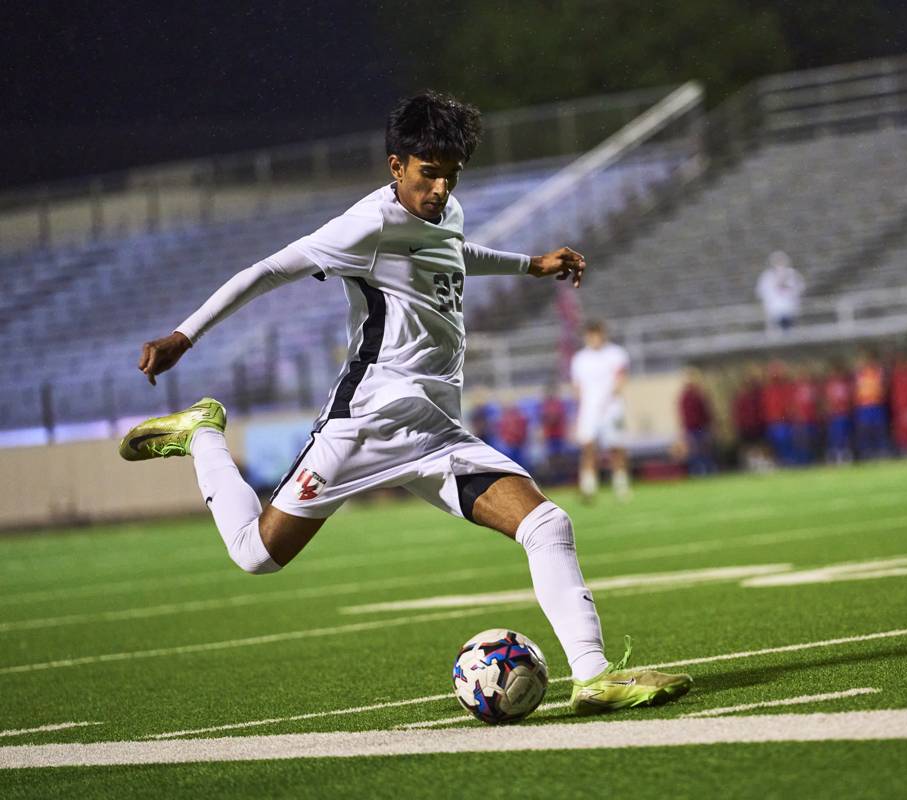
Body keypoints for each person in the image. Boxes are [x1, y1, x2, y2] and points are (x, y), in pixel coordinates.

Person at [118, 91, 690, 714]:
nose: (440, 188)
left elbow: (451, 253)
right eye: (428, 174)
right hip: (368, 419)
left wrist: (531, 265)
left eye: (451, 175)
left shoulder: (446, 209)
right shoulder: (367, 224)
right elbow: (269, 269)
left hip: (434, 426)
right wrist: (184, 335)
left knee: (547, 525)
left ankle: (595, 678)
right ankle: (204, 432)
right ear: (396, 166)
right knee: (256, 554)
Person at [570, 320, 632, 502]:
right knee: (588, 447)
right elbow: (577, 387)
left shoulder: (616, 354)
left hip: (612, 408)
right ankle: (588, 487)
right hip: (589, 409)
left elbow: (621, 378)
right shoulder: (580, 359)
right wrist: (582, 409)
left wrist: (609, 399)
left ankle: (621, 486)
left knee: (616, 447)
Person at [755, 250, 805, 334]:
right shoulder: (767, 276)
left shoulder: (792, 273)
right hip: (774, 306)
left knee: (788, 322)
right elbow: (763, 291)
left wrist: (787, 287)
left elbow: (799, 287)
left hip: (789, 304)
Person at [852, 347, 889, 459]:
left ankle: (882, 451)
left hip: (877, 405)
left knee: (879, 429)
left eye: (871, 358)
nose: (868, 361)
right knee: (865, 430)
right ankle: (866, 452)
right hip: (864, 406)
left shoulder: (879, 371)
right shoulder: (860, 372)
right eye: (866, 358)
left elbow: (884, 385)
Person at [761, 360, 796, 465]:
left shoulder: (787, 387)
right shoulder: (767, 390)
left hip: (785, 423)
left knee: (787, 444)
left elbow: (790, 405)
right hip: (772, 423)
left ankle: (790, 462)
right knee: (776, 446)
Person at [538, 383, 570, 483]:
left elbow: (558, 418)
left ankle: (561, 478)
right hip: (550, 436)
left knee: (560, 457)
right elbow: (543, 419)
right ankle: (553, 479)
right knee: (550, 457)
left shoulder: (558, 404)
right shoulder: (544, 405)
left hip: (558, 435)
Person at [790, 363, 822, 465]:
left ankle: (813, 460)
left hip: (812, 419)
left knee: (813, 440)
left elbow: (818, 402)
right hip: (801, 420)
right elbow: (792, 404)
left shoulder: (813, 387)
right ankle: (803, 461)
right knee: (802, 442)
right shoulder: (795, 387)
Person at [822, 363, 854, 464]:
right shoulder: (829, 384)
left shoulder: (845, 383)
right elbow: (826, 399)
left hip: (843, 413)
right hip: (833, 415)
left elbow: (849, 397)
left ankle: (845, 456)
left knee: (844, 436)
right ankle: (835, 456)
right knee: (834, 436)